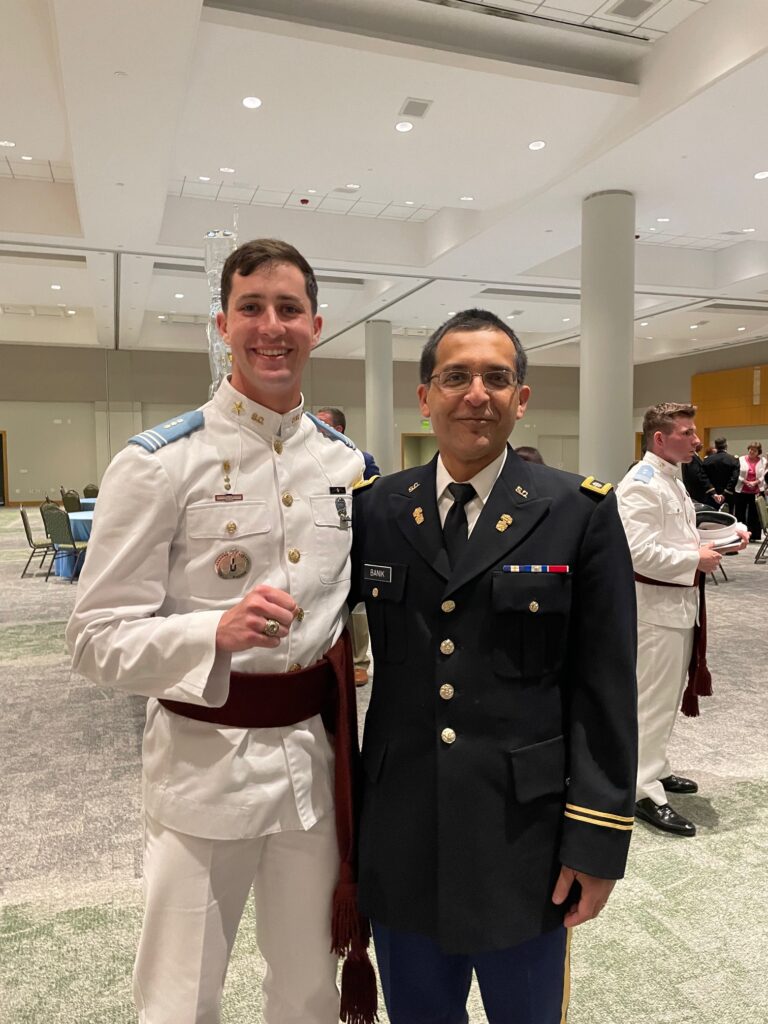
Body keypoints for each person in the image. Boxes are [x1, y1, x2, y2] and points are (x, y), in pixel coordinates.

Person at [66, 238, 375, 1024]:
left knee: (307, 990)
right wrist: (210, 633)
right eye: (251, 308)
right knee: (179, 999)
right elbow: (95, 639)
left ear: (317, 325)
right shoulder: (161, 463)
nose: (272, 326)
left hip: (311, 771)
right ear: (222, 324)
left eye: (289, 309)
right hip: (201, 773)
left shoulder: (348, 467)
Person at [350, 308, 638, 1024]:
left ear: (522, 399)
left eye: (497, 378)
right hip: (403, 834)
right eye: (456, 376)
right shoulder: (377, 509)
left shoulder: (578, 511)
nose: (476, 393)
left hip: (525, 843)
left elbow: (606, 688)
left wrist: (598, 838)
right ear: (424, 396)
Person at [616, 404, 748, 839]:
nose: (696, 441)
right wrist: (696, 558)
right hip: (654, 612)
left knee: (667, 696)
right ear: (660, 438)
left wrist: (723, 539)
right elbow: (636, 552)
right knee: (650, 700)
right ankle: (639, 788)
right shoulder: (640, 485)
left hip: (677, 606)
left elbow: (676, 538)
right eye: (687, 433)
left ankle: (655, 766)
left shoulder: (669, 478)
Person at [316, 406, 379, 686]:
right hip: (320, 541)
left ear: (337, 429)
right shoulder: (308, 458)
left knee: (356, 606)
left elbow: (368, 499)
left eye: (322, 423)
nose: (315, 428)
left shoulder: (359, 459)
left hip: (352, 538)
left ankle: (359, 661)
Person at [729, 441, 767, 542]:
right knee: (740, 513)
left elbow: (764, 474)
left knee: (754, 514)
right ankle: (740, 534)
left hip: (757, 490)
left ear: (758, 452)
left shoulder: (763, 461)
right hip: (742, 490)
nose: (751, 451)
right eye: (750, 449)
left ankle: (754, 535)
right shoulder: (741, 459)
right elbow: (737, 474)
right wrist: (746, 482)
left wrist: (756, 482)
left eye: (754, 450)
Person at [703, 437, 739, 510]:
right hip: (728, 496)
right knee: (728, 519)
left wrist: (713, 493)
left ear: (715, 446)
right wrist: (724, 494)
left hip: (711, 496)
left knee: (711, 517)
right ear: (726, 446)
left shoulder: (707, 460)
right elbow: (734, 478)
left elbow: (704, 477)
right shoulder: (733, 460)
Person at [681, 441, 717, 507]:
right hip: (696, 493)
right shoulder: (692, 457)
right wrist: (710, 489)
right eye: (699, 443)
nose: (702, 445)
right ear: (694, 446)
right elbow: (696, 475)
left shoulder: (694, 456)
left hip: (694, 492)